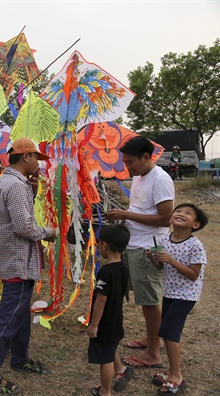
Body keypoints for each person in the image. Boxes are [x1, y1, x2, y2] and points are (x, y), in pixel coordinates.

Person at [0, 137, 57, 394]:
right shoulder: (16, 185)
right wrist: (48, 233)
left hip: (13, 257)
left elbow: (16, 217)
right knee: (9, 317)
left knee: (21, 313)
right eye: (36, 158)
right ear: (26, 157)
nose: (38, 164)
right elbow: (24, 227)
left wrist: (31, 192)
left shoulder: (6, 182)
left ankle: (20, 359)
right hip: (18, 260)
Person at [105, 136, 174, 368]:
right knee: (145, 298)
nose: (128, 167)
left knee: (150, 298)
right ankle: (152, 339)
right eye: (125, 162)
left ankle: (154, 352)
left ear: (147, 157)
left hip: (148, 247)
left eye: (131, 161)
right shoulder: (140, 176)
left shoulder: (160, 179)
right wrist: (124, 218)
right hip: (135, 244)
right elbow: (140, 209)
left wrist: (125, 215)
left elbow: (165, 219)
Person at [146, 203, 208, 395]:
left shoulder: (195, 246)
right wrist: (153, 259)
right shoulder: (165, 240)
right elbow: (161, 268)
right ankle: (171, 371)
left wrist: (172, 260)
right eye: (178, 211)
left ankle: (177, 377)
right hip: (170, 292)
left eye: (188, 213)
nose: (181, 214)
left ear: (195, 225)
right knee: (167, 332)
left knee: (170, 333)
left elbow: (193, 274)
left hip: (186, 295)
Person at [87, 224, 133, 396]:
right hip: (116, 320)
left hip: (105, 323)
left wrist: (94, 324)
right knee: (110, 347)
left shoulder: (105, 272)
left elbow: (101, 299)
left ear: (104, 245)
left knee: (105, 359)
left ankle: (105, 391)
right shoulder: (123, 267)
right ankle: (121, 369)